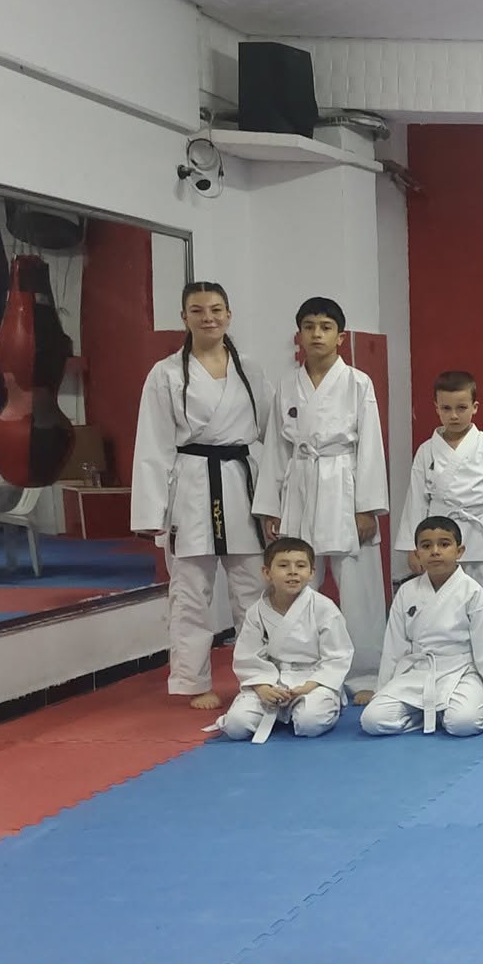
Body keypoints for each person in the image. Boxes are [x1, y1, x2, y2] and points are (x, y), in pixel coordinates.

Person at [132, 281, 270, 710]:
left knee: (253, 588)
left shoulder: (250, 370)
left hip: (240, 484)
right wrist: (151, 512)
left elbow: (273, 436)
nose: (208, 317)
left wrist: (277, 500)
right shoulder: (166, 373)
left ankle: (258, 677)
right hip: (191, 485)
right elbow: (152, 445)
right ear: (184, 317)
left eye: (215, 309)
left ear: (229, 315)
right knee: (191, 590)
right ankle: (192, 680)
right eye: (197, 310)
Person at [253, 296, 389, 700]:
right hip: (299, 483)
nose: (317, 334)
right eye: (309, 326)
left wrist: (367, 508)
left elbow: (371, 447)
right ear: (299, 335)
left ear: (340, 337)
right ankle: (298, 669)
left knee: (359, 588)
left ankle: (366, 674)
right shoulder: (286, 384)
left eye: (326, 327)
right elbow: (276, 448)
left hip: (344, 484)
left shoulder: (358, 383)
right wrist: (271, 506)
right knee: (296, 580)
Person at [360, 515, 483, 737]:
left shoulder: (472, 592)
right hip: (417, 672)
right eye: (426, 546)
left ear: (459, 551)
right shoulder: (406, 592)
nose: (435, 551)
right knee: (373, 721)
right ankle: (427, 713)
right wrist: (382, 689)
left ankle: (438, 712)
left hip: (461, 672)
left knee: (463, 724)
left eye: (444, 544)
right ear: (417, 554)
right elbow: (394, 647)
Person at [397, 370, 483, 639]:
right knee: (442, 603)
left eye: (461, 408)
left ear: (475, 407)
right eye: (446, 408)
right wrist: (412, 547)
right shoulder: (426, 450)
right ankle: (445, 653)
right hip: (438, 538)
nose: (454, 415)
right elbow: (416, 499)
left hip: (481, 535)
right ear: (436, 408)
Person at [217, 536, 353, 743]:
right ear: (267, 573)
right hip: (270, 681)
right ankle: (277, 711)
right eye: (283, 565)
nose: (292, 572)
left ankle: (308, 709)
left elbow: (337, 656)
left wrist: (310, 685)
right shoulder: (256, 612)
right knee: (236, 726)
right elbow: (247, 657)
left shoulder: (324, 608)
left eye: (301, 566)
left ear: (312, 572)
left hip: (312, 681)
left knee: (310, 723)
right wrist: (262, 687)